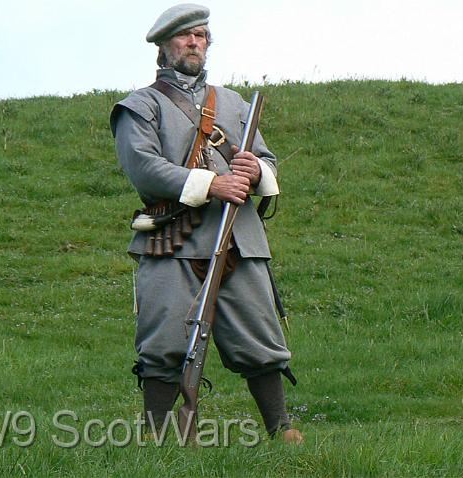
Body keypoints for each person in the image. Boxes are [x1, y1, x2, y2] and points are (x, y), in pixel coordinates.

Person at [110, 4, 302, 444]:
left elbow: (265, 160)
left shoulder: (233, 104)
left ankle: (281, 430)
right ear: (163, 46)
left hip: (237, 237)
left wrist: (254, 171)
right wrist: (211, 184)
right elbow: (144, 168)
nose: (194, 43)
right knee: (163, 344)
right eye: (184, 36)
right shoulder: (139, 106)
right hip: (171, 240)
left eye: (200, 35)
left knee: (261, 339)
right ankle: (158, 437)